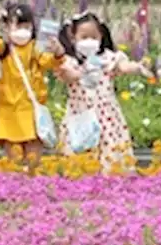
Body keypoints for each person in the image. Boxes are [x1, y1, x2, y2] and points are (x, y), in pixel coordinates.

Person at [57, 12, 148, 173]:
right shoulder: (70, 61)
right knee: (81, 149)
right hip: (80, 114)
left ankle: (110, 178)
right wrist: (83, 73)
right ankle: (81, 180)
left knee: (110, 148)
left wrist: (138, 66)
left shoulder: (108, 58)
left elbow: (123, 66)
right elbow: (67, 75)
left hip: (106, 115)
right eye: (84, 37)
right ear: (74, 38)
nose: (89, 41)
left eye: (94, 37)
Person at [0, 3, 62, 168]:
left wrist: (58, 52)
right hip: (9, 110)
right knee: (13, 164)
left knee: (33, 163)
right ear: (7, 27)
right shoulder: (4, 50)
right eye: (17, 25)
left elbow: (49, 62)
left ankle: (33, 190)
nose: (22, 30)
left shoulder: (35, 49)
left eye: (26, 26)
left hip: (31, 111)